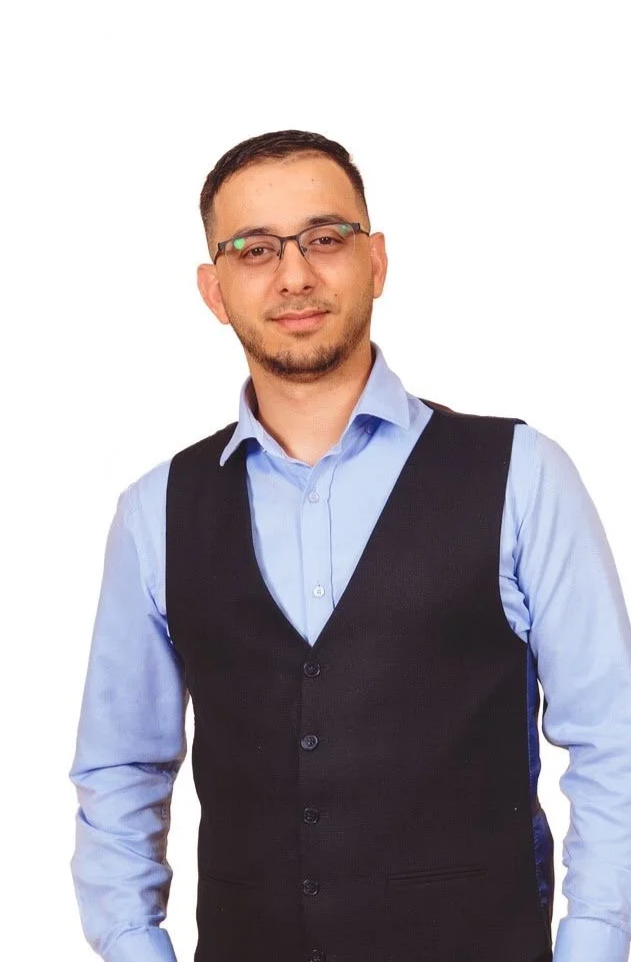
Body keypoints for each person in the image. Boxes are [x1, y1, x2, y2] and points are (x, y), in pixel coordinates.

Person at [69, 129, 631, 962]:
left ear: (375, 261)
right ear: (212, 289)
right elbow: (121, 768)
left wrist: (595, 944)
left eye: (325, 239)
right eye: (254, 249)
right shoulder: (156, 510)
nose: (294, 274)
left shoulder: (521, 475)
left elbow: (613, 740)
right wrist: (132, 945)